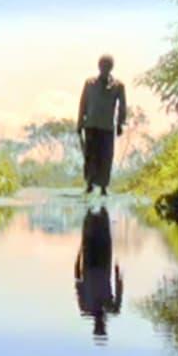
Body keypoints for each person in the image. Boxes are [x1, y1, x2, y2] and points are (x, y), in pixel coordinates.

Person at [77, 54, 127, 196]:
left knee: (106, 157)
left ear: (111, 67)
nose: (105, 67)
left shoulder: (118, 86)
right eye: (103, 65)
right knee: (90, 156)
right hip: (91, 125)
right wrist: (80, 123)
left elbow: (122, 106)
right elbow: (83, 103)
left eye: (108, 65)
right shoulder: (90, 83)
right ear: (99, 66)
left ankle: (104, 187)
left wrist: (120, 124)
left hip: (107, 127)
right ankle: (89, 184)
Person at [74, 207, 124, 337]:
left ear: (95, 327)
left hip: (92, 262)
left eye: (98, 328)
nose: (100, 324)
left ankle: (94, 208)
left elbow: (78, 282)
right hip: (102, 263)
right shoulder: (112, 309)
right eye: (102, 328)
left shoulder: (86, 308)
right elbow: (119, 289)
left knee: (93, 221)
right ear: (105, 327)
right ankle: (99, 208)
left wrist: (77, 260)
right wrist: (118, 272)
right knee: (101, 224)